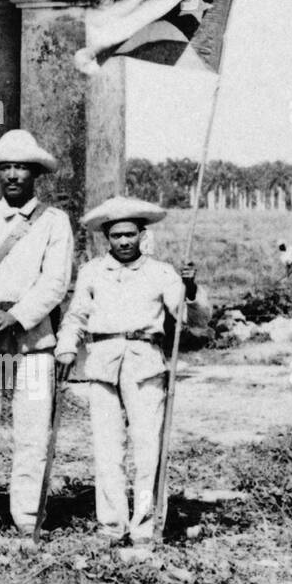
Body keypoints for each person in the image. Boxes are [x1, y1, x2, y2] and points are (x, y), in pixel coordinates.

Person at [54, 196, 207, 548]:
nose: (124, 242)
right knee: (107, 448)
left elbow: (194, 320)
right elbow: (76, 315)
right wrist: (65, 348)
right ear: (106, 237)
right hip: (102, 362)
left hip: (144, 363)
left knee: (147, 447)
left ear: (142, 235)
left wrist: (191, 290)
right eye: (116, 236)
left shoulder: (161, 272)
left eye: (131, 235)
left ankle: (145, 526)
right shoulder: (92, 271)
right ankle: (111, 524)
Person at [0, 129, 73, 538]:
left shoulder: (54, 222)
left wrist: (17, 317)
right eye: (6, 167)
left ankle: (26, 516)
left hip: (30, 343)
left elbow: (55, 282)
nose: (13, 175)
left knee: (31, 431)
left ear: (35, 172)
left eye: (21, 167)